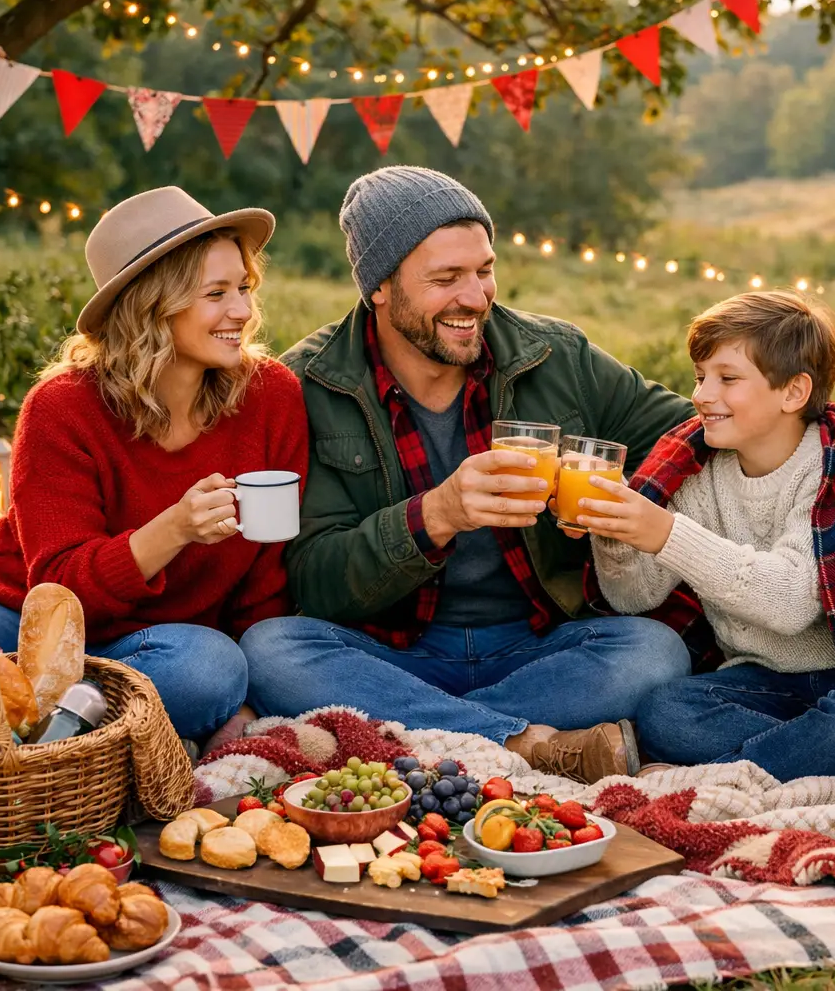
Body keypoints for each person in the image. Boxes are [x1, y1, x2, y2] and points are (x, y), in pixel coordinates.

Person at [240, 166, 695, 783]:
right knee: (270, 651)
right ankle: (527, 744)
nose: (476, 297)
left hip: (541, 647)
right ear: (380, 287)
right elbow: (315, 582)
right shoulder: (311, 385)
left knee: (655, 653)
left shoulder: (556, 355)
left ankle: (413, 736)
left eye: (484, 270)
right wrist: (437, 515)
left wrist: (616, 503)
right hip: (392, 653)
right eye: (446, 278)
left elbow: (689, 434)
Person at [0, 186, 309, 751]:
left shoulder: (270, 395)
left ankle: (37, 731)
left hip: (161, 643)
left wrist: (247, 696)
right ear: (153, 305)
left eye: (244, 287)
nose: (243, 311)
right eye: (216, 293)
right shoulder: (62, 408)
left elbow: (267, 578)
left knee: (212, 671)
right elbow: (56, 583)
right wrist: (173, 529)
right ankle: (96, 733)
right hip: (28, 613)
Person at [581, 291, 835, 784]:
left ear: (793, 393)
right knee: (667, 710)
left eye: (727, 379)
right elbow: (633, 596)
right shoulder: (697, 467)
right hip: (755, 680)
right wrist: (615, 535)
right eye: (700, 377)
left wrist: (666, 532)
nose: (702, 395)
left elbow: (790, 602)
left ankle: (716, 777)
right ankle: (816, 768)